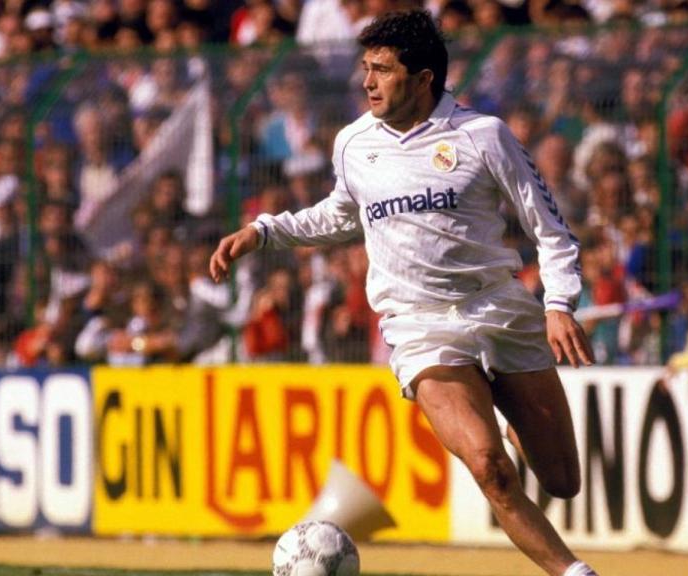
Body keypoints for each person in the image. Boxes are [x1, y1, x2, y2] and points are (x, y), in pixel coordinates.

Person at [210, 10, 597, 576]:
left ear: (423, 79)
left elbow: (551, 230)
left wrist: (558, 305)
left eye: (383, 70)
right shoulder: (353, 143)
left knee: (562, 481)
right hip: (420, 325)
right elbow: (341, 214)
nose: (367, 82)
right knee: (490, 469)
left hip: (498, 308)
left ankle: (508, 414)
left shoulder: (483, 136)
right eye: (366, 68)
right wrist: (266, 231)